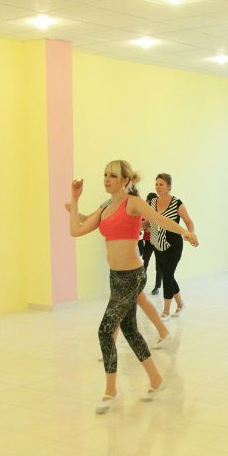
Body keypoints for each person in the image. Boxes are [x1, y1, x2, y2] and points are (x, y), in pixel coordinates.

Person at [69, 160, 198, 413]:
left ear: (125, 181)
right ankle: (156, 379)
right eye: (105, 175)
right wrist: (75, 199)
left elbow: (159, 220)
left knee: (105, 330)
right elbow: (76, 229)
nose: (107, 179)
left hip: (133, 276)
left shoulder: (133, 203)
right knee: (129, 330)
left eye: (113, 176)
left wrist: (186, 232)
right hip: (115, 276)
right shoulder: (105, 208)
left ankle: (110, 392)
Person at [65, 194, 169, 346]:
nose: (108, 182)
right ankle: (162, 331)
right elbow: (88, 220)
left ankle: (111, 345)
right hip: (118, 269)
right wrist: (73, 210)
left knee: (117, 306)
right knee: (136, 301)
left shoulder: (131, 202)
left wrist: (184, 232)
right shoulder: (107, 204)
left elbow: (154, 220)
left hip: (130, 267)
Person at [149, 173, 195, 322]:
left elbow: (189, 222)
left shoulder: (177, 203)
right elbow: (149, 222)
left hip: (173, 245)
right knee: (167, 275)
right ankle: (180, 304)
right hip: (157, 244)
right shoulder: (152, 202)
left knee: (167, 275)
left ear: (169, 186)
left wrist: (190, 234)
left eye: (161, 184)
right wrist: (138, 227)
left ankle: (166, 311)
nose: (158, 187)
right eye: (156, 184)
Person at [142, 192, 162, 295]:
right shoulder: (144, 211)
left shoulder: (159, 211)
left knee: (158, 266)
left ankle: (157, 287)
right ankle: (140, 286)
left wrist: (151, 227)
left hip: (157, 241)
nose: (148, 201)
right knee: (144, 263)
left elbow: (162, 225)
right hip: (148, 241)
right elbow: (141, 224)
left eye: (149, 200)